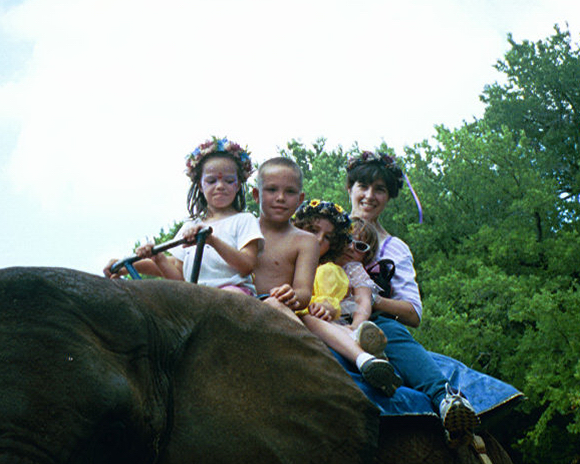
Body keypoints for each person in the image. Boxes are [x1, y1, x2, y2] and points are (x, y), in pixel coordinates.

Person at [345, 150, 477, 435]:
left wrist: (368, 298)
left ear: (389, 197)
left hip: (373, 322)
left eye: (379, 189)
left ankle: (446, 399)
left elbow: (413, 314)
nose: (369, 195)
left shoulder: (394, 248)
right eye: (363, 186)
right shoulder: (325, 226)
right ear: (349, 188)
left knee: (389, 332)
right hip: (322, 314)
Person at [106, 136, 261, 293]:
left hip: (234, 294)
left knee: (228, 296)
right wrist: (158, 258)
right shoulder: (189, 227)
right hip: (197, 298)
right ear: (200, 185)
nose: (220, 186)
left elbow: (247, 266)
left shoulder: (245, 220)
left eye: (228, 181)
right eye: (212, 181)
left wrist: (211, 241)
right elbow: (180, 278)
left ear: (238, 185)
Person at [292, 199, 399, 394]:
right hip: (308, 312)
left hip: (334, 317)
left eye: (361, 247)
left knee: (327, 324)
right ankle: (369, 353)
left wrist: (356, 324)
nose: (352, 248)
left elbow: (363, 300)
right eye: (349, 242)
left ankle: (368, 353)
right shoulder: (304, 258)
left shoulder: (343, 270)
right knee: (321, 323)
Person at [249, 156, 321, 313]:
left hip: (280, 310)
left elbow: (304, 292)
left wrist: (291, 295)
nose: (280, 198)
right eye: (272, 189)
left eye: (290, 191)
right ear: (256, 195)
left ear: (300, 199)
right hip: (240, 304)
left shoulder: (306, 241)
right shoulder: (241, 230)